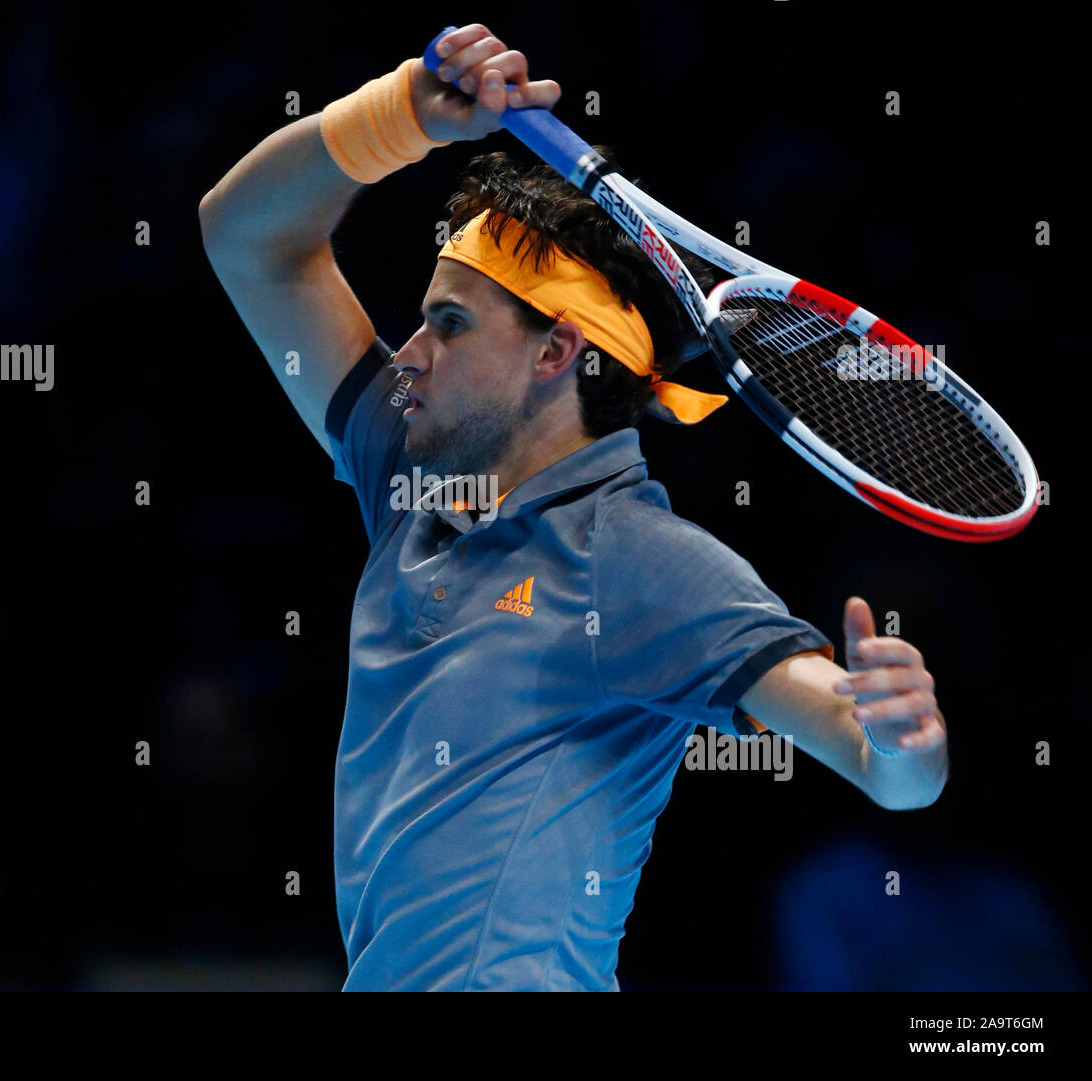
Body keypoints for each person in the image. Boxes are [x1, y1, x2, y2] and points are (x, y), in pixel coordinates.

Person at [198, 23, 948, 991]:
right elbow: (246, 236)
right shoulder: (413, 476)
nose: (411, 351)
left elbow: (873, 761)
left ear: (555, 353)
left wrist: (901, 738)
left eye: (449, 323)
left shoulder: (636, 557)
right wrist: (399, 117)